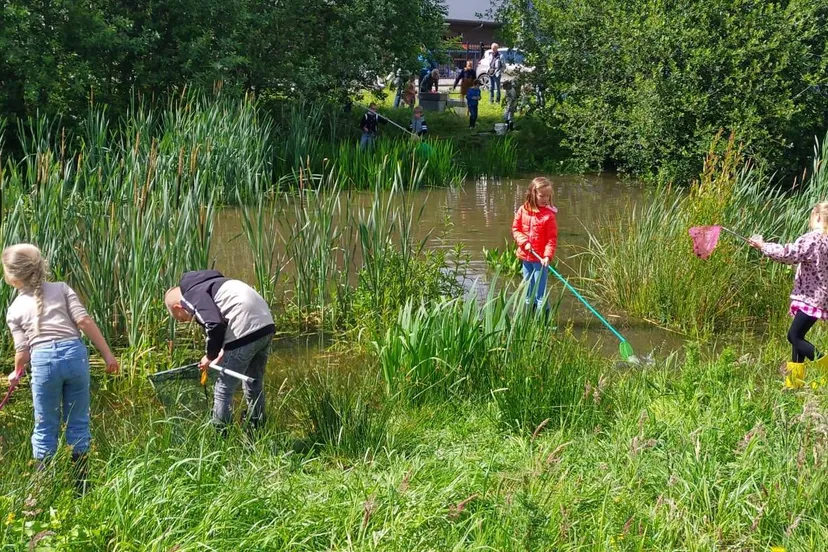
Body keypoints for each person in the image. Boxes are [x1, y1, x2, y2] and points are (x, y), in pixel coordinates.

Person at [3, 243, 119, 492]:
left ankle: (42, 490)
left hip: (44, 362)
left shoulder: (14, 310)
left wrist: (16, 372)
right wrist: (108, 355)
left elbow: (23, 351)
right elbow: (84, 321)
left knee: (45, 424)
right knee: (78, 421)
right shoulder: (62, 288)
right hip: (74, 356)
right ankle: (82, 487)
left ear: (12, 277)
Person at [165, 270, 275, 428]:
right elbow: (224, 319)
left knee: (223, 389)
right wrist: (221, 351)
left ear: (178, 307)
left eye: (181, 318)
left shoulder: (190, 296)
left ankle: (222, 434)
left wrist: (209, 356)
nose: (186, 321)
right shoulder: (212, 284)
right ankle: (257, 427)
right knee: (253, 383)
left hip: (245, 328)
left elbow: (214, 325)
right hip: (266, 325)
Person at [750, 202, 828, 388]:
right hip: (820, 298)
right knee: (798, 337)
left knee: (794, 336)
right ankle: (794, 383)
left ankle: (825, 366)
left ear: (817, 216)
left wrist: (763, 246)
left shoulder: (814, 238)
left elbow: (788, 254)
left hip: (810, 297)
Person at [511, 178, 558, 311]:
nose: (545, 199)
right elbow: (516, 229)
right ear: (533, 194)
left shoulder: (549, 216)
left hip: (540, 260)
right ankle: (528, 317)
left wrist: (547, 256)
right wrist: (524, 242)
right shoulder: (522, 210)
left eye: (548, 196)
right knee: (528, 290)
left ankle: (544, 319)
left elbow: (551, 239)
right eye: (542, 196)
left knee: (540, 294)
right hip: (526, 257)